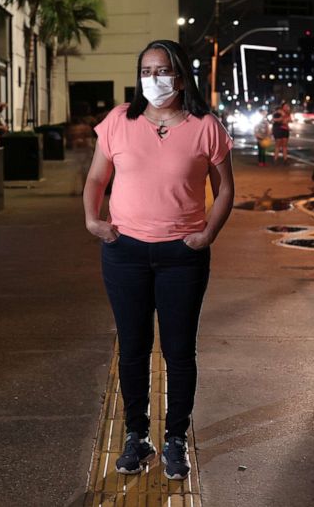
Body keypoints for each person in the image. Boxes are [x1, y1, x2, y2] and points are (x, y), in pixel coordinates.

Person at [83, 39, 235, 481]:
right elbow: (96, 177)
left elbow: (225, 187)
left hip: (181, 257)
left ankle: (173, 439)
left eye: (162, 70)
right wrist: (93, 221)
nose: (154, 79)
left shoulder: (206, 127)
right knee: (131, 349)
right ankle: (136, 435)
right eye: (146, 71)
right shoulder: (117, 122)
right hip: (125, 252)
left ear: (181, 76)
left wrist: (208, 233)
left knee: (178, 350)